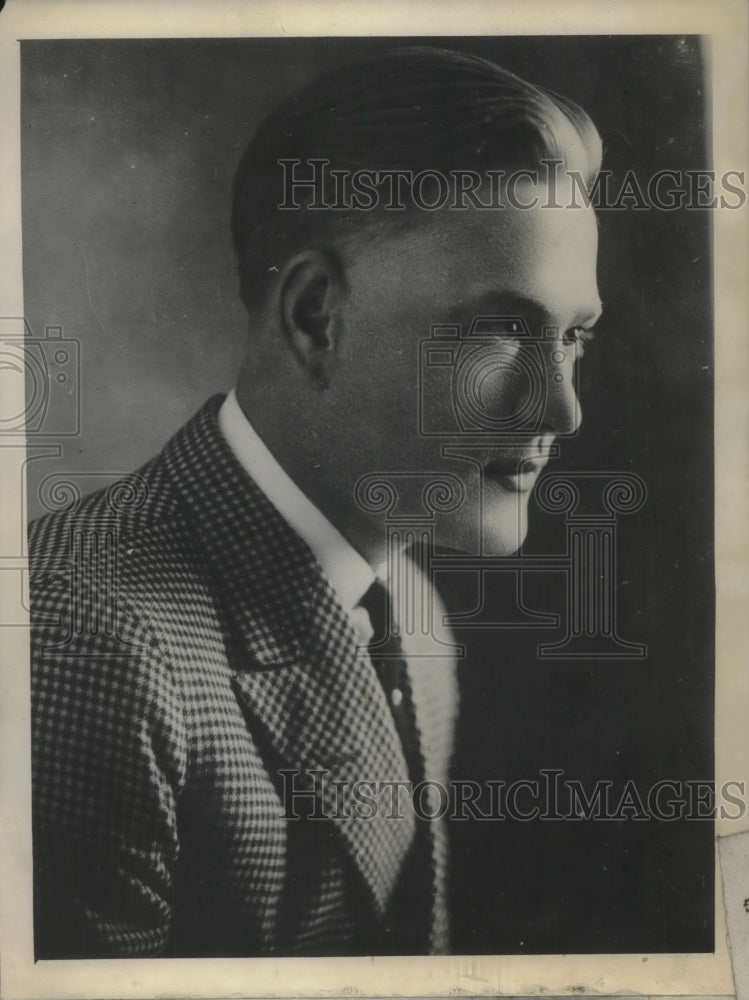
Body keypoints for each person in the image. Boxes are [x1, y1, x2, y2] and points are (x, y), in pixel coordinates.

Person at [28, 45, 602, 958]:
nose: (562, 408)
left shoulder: (411, 617)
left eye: (572, 339)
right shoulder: (86, 638)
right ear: (314, 319)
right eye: (501, 329)